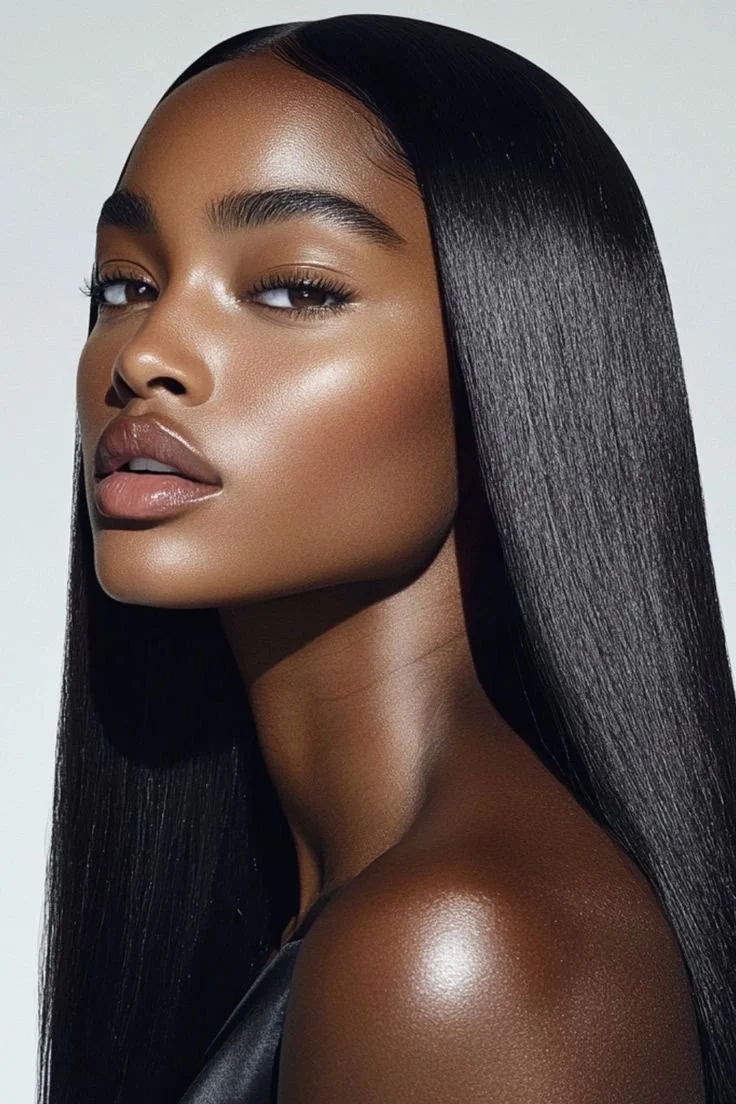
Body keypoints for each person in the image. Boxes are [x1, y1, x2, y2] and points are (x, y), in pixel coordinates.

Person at [39, 14, 735, 1104]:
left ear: (512, 361)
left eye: (294, 289)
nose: (147, 356)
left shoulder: (461, 954)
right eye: (125, 285)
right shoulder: (328, 910)